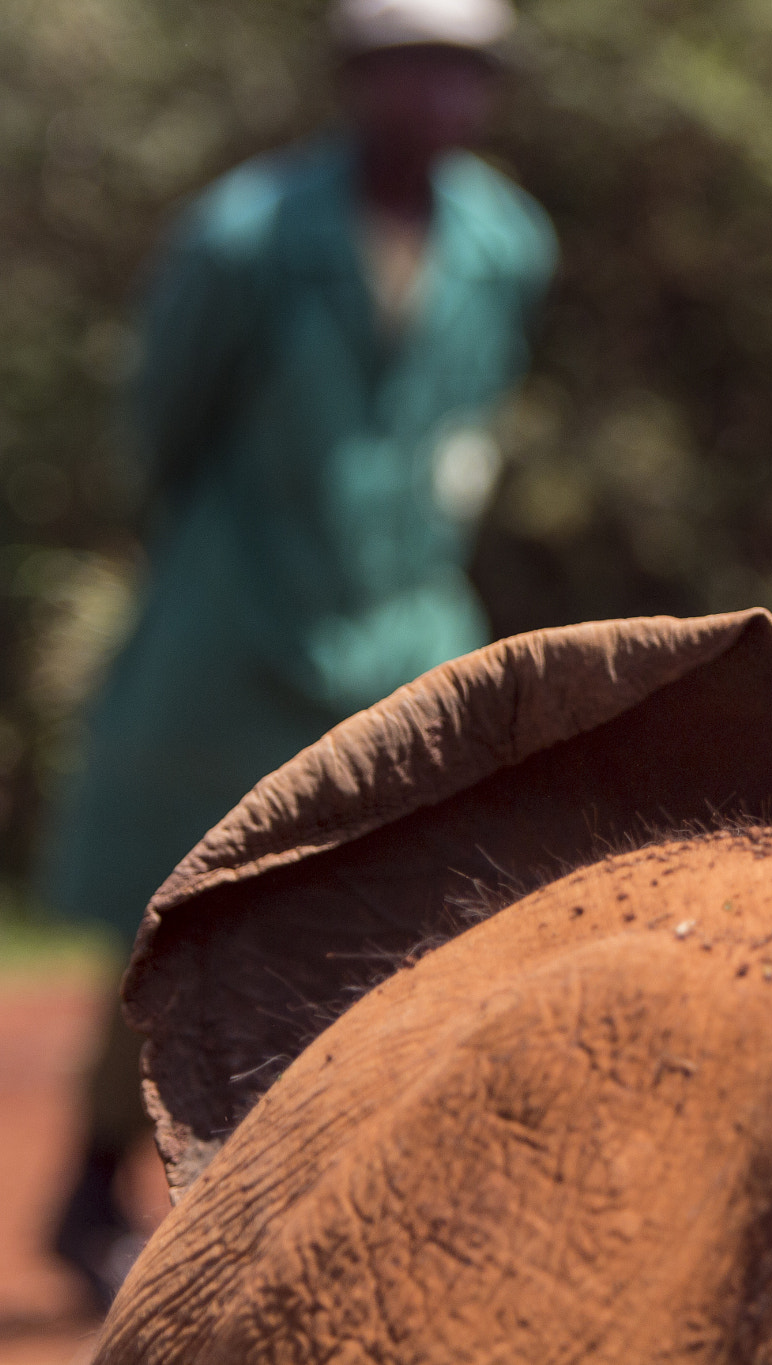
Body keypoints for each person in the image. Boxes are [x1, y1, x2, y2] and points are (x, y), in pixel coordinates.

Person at [43, 0, 554, 1308]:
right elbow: (162, 426)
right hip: (236, 613)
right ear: (354, 79)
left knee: (408, 898)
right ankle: (98, 1182)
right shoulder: (246, 238)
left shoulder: (505, 244)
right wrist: (241, 554)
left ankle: (330, 1192)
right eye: (407, 71)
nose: (435, 100)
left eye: (461, 72)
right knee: (180, 905)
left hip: (404, 615)